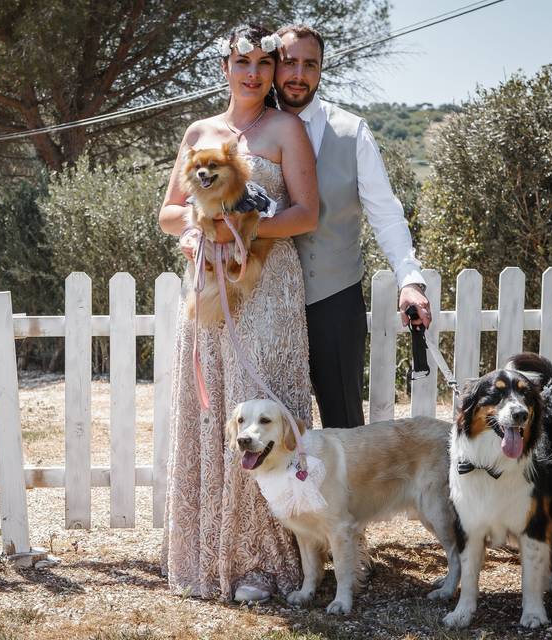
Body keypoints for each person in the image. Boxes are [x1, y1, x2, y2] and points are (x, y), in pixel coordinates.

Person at [157, 24, 318, 603]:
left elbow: (305, 214)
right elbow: (169, 213)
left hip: (268, 287)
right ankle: (208, 555)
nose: (253, 73)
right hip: (207, 286)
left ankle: (265, 561)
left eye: (263, 62)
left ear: (275, 70)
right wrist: (199, 231)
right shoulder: (200, 132)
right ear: (225, 66)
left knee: (265, 403)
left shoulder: (285, 129)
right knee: (213, 413)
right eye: (242, 61)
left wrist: (243, 228)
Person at [274, 24, 433, 429]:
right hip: (268, 298)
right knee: (267, 425)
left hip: (335, 297)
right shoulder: (254, 129)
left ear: (322, 70)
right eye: (289, 62)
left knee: (343, 423)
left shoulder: (351, 130)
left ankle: (347, 496)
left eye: (310, 64)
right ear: (275, 65)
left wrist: (409, 279)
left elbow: (385, 213)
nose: (298, 74)